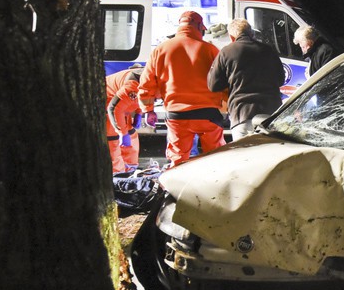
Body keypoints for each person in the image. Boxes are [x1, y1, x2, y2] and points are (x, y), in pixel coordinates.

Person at [139, 10, 226, 167]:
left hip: (177, 115)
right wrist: (226, 105)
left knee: (178, 160)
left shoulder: (160, 50)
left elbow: (147, 83)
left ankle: (176, 190)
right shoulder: (210, 50)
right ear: (199, 27)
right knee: (215, 160)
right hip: (208, 115)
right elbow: (223, 81)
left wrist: (147, 109)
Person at [208, 19, 285, 140]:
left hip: (241, 114)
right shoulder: (268, 50)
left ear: (231, 37)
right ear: (252, 33)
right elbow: (281, 79)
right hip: (271, 113)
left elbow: (213, 85)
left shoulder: (226, 52)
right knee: (270, 155)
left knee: (244, 157)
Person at [105, 64, 145, 173]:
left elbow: (145, 98)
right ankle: (117, 174)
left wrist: (139, 112)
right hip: (108, 102)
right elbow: (113, 108)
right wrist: (122, 133)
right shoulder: (133, 86)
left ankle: (130, 168)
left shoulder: (150, 81)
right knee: (113, 140)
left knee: (130, 134)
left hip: (119, 104)